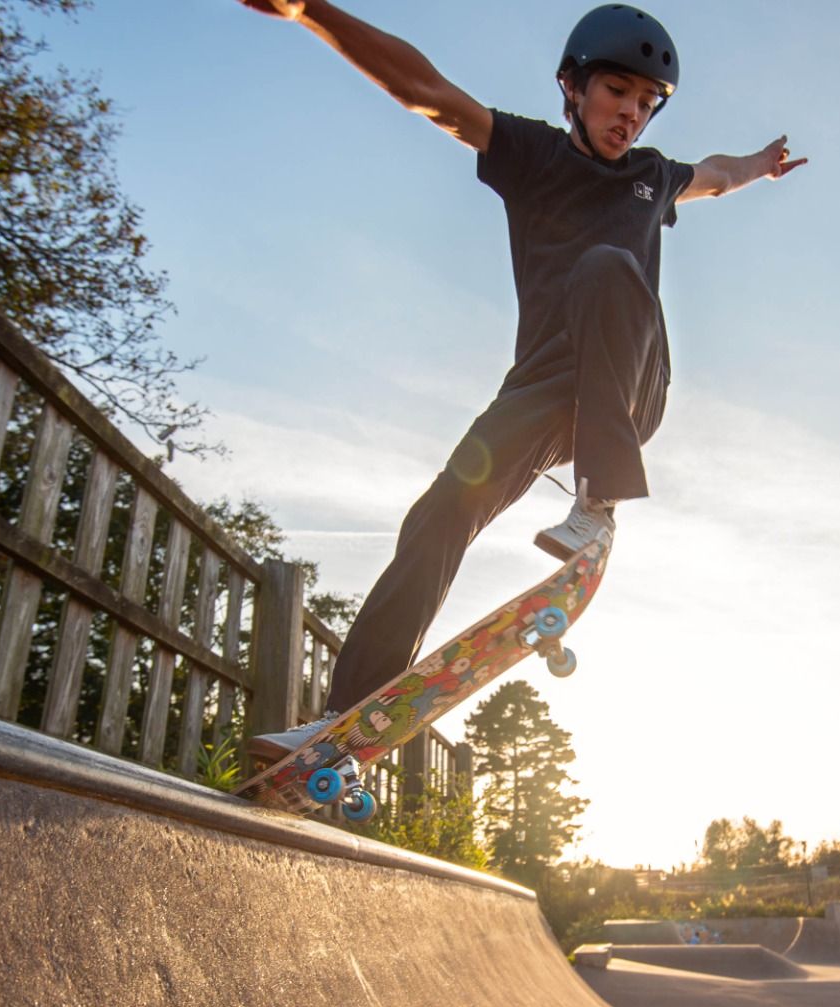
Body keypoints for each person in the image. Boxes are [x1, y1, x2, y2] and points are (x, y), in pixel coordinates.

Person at [239, 1, 806, 755]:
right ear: (570, 87)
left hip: (632, 381)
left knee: (610, 269)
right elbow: (427, 92)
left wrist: (760, 167)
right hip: (541, 393)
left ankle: (599, 503)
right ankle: (344, 722)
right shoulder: (532, 154)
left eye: (646, 104)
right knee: (439, 516)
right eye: (616, 93)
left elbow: (719, 175)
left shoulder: (654, 177)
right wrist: (312, 12)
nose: (631, 115)